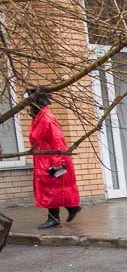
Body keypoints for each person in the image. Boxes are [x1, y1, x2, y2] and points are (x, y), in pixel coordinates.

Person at [27, 89, 81, 229]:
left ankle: (54, 218)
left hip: (51, 159)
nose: (26, 107)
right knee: (53, 188)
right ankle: (71, 208)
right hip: (44, 158)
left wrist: (58, 163)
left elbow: (57, 141)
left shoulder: (46, 119)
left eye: (28, 103)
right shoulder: (39, 118)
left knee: (52, 190)